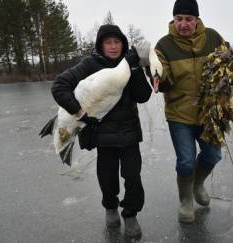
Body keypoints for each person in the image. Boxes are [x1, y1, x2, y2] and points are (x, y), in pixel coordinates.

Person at [51, 24, 151, 239]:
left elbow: (143, 96)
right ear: (100, 45)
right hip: (102, 134)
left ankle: (131, 214)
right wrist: (78, 112)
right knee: (107, 178)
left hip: (130, 132)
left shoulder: (129, 63)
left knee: (133, 176)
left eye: (117, 42)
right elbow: (59, 86)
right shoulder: (89, 65)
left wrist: (136, 67)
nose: (113, 47)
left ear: (123, 44)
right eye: (108, 42)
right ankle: (111, 207)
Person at [154, 0, 226, 223]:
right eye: (179, 19)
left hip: (208, 112)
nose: (183, 24)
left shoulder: (213, 38)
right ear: (173, 19)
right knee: (185, 161)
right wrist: (156, 76)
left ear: (197, 19)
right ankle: (186, 200)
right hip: (180, 114)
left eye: (188, 19)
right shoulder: (164, 46)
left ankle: (197, 184)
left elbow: (227, 64)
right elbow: (163, 81)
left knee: (213, 154)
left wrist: (227, 83)